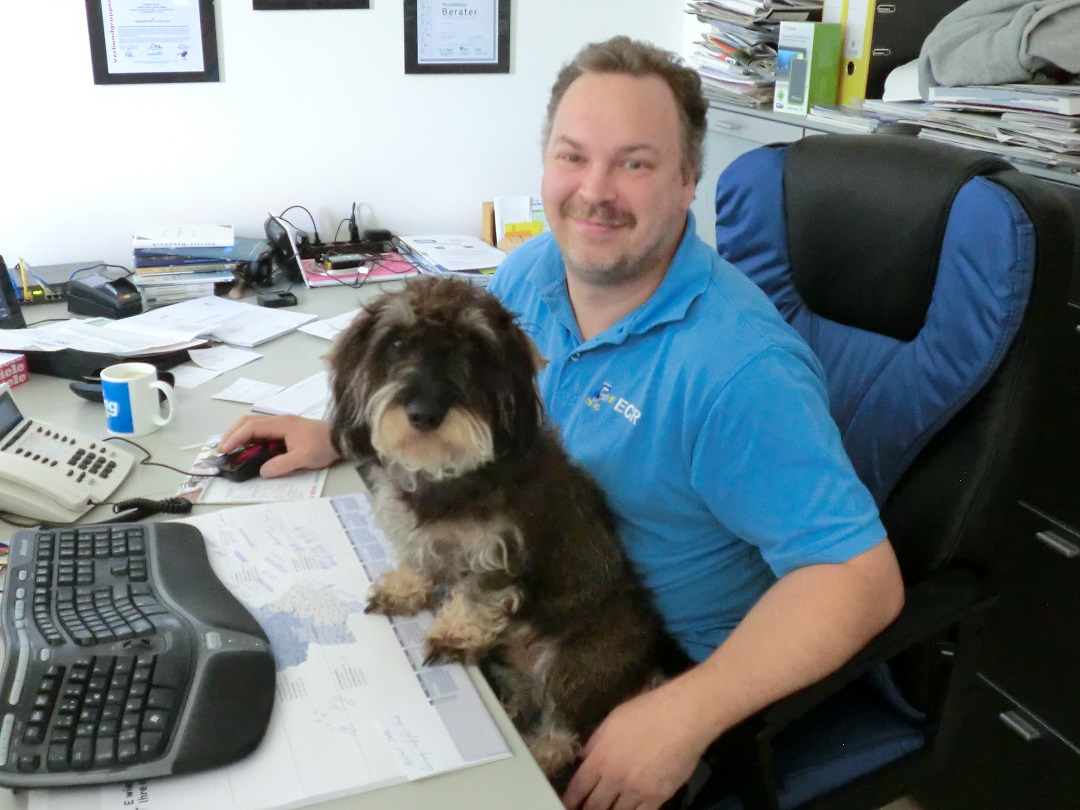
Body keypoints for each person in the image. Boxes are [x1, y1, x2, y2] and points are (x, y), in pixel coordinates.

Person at [221, 36, 905, 810]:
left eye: (635, 163)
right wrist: (345, 433)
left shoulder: (742, 370)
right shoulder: (533, 272)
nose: (595, 191)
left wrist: (683, 715)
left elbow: (859, 582)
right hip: (510, 598)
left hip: (638, 677)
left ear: (688, 180)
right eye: (572, 157)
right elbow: (480, 419)